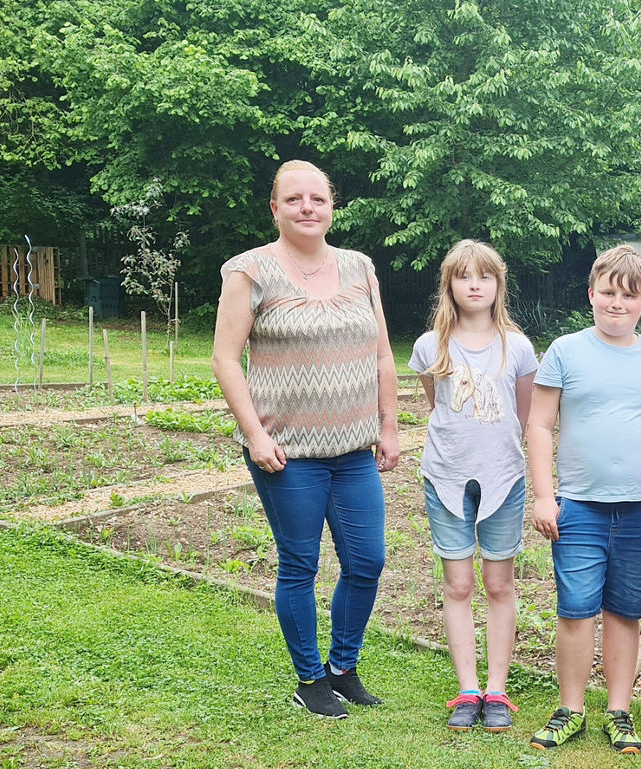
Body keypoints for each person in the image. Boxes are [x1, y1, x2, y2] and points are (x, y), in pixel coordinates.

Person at [212, 160, 401, 720]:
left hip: (354, 450)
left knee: (366, 561)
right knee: (300, 565)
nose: (307, 208)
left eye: (317, 198)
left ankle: (344, 669)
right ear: (275, 208)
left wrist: (389, 424)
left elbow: (383, 354)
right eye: (293, 199)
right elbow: (225, 358)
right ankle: (310, 678)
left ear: (331, 205)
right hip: (286, 453)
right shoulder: (249, 272)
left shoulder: (360, 267)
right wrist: (254, 435)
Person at [526, 244, 641, 755]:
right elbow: (540, 424)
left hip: (640, 507)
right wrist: (545, 496)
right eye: (609, 293)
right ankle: (570, 709)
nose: (617, 303)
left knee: (625, 610)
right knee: (575, 609)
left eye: (629, 296)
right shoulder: (566, 351)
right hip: (578, 505)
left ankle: (619, 711)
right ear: (591, 293)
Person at [407, 239, 538, 732]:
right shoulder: (430, 346)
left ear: (498, 284)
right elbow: (436, 405)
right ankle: (467, 689)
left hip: (504, 477)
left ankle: (498, 691)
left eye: (485, 276)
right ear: (450, 286)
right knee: (458, 584)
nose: (475, 284)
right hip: (445, 477)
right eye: (464, 277)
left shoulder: (517, 346)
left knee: (499, 584)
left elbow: (523, 415)